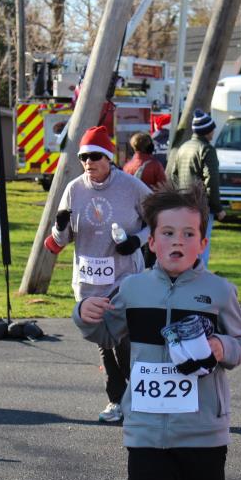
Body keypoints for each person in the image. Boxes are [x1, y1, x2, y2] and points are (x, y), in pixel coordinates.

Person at [74, 181, 241, 480]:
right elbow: (106, 332)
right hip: (146, 434)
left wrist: (220, 347)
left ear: (202, 244)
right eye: (168, 233)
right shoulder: (134, 290)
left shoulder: (219, 292)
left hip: (200, 434)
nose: (178, 241)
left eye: (189, 234)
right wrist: (84, 314)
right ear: (151, 242)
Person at [45, 126, 152, 423]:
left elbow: (157, 221)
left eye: (94, 156)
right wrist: (60, 226)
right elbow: (61, 240)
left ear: (108, 158)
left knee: (124, 339)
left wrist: (137, 241)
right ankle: (117, 400)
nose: (88, 163)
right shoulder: (74, 189)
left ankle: (138, 396)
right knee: (104, 342)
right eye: (83, 157)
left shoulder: (131, 187)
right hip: (89, 281)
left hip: (124, 278)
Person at [171, 110, 225, 266]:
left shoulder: (183, 147)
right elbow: (211, 180)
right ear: (207, 131)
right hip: (201, 206)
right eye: (212, 129)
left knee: (186, 243)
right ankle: (199, 277)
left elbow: (174, 176)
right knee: (201, 245)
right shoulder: (207, 149)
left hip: (183, 204)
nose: (214, 132)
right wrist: (217, 208)